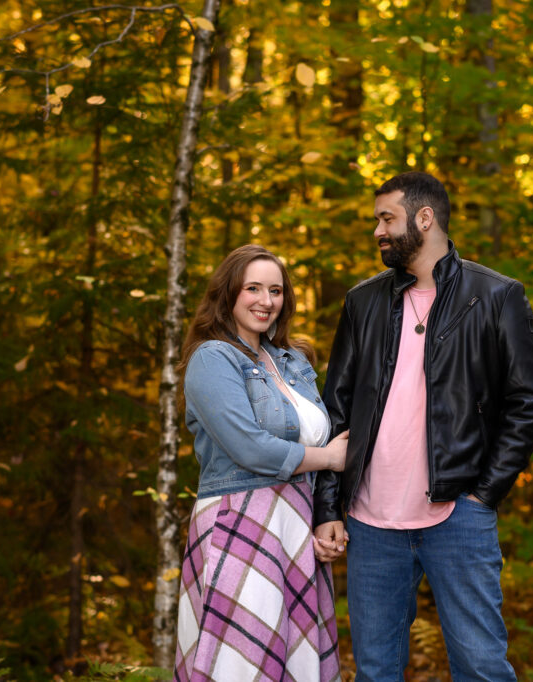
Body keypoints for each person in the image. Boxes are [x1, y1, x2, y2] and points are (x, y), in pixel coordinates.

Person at [313, 172, 533, 681]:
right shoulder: (363, 302)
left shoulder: (496, 296)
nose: (377, 230)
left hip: (458, 516)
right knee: (376, 672)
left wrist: (485, 493)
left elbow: (529, 400)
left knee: (481, 668)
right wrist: (328, 507)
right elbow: (335, 409)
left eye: (386, 219)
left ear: (425, 219)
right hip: (370, 523)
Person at [174, 244, 347, 682]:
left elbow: (317, 434)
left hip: (294, 522)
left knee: (295, 659)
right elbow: (250, 448)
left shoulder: (293, 361)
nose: (266, 301)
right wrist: (328, 457)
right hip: (241, 520)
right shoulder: (212, 358)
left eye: (275, 290)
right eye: (253, 288)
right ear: (228, 293)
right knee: (241, 662)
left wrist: (325, 517)